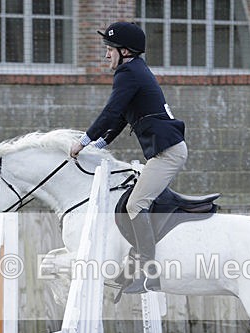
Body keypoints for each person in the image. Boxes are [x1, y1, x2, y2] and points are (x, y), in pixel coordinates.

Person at [70, 21, 187, 294]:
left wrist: (84, 141)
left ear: (125, 51)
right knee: (131, 202)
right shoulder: (135, 70)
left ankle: (149, 273)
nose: (106, 55)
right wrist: (102, 142)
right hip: (166, 150)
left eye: (109, 49)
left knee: (135, 205)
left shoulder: (128, 73)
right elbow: (123, 115)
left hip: (167, 154)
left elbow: (111, 111)